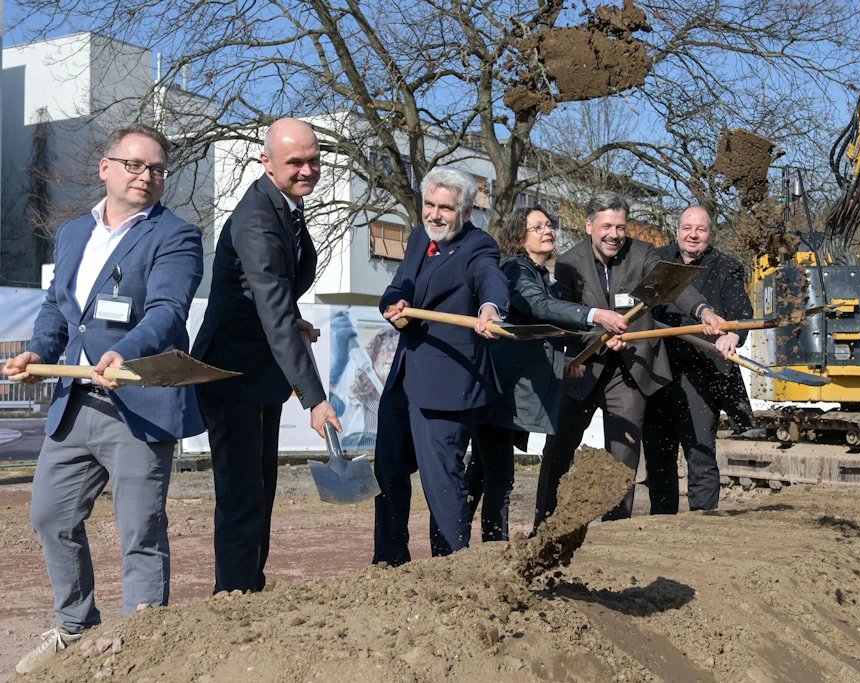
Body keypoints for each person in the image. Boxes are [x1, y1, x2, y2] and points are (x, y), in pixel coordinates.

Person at [3, 125, 204, 674]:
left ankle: (143, 648)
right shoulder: (72, 233)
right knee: (49, 516)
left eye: (158, 169)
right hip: (74, 402)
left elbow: (167, 311)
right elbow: (58, 310)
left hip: (137, 402)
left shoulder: (177, 235)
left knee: (139, 529)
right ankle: (75, 627)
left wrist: (128, 353)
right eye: (136, 166)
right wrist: (36, 354)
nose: (147, 177)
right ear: (106, 168)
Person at [191, 117, 341, 594]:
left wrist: (292, 321)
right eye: (295, 162)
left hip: (260, 372)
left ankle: (249, 590)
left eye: (314, 160)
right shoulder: (257, 218)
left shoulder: (288, 209)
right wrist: (315, 399)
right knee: (242, 497)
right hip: (230, 374)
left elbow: (270, 297)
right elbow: (273, 311)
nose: (307, 170)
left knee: (263, 492)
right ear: (267, 162)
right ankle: (232, 599)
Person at [534, 192, 727, 528]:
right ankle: (542, 525)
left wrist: (703, 310)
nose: (614, 234)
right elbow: (564, 316)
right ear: (589, 224)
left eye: (620, 227)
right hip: (581, 367)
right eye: (606, 226)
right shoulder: (567, 263)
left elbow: (673, 286)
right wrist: (600, 336)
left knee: (622, 461)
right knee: (557, 451)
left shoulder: (642, 255)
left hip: (629, 374)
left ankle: (616, 530)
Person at [465, 206, 628, 541]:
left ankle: (454, 543)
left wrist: (566, 361)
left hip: (512, 388)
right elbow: (537, 307)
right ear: (519, 236)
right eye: (536, 227)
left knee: (481, 473)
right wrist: (596, 314)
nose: (547, 231)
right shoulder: (515, 270)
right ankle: (491, 550)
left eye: (549, 225)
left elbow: (542, 331)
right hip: (501, 388)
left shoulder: (543, 278)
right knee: (498, 477)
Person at [374, 166, 509, 566]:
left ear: (465, 212)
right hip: (403, 378)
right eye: (429, 205)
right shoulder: (419, 238)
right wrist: (393, 303)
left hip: (448, 384)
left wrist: (491, 308)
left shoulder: (479, 246)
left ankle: (451, 566)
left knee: (442, 482)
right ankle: (389, 563)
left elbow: (491, 281)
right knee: (389, 472)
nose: (434, 214)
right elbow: (400, 284)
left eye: (445, 208)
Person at [642, 205, 755, 513]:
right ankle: (661, 522)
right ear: (677, 231)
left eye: (700, 229)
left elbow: (741, 314)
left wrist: (732, 336)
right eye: (686, 228)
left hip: (701, 375)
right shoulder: (657, 261)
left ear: (710, 234)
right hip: (657, 372)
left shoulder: (725, 267)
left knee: (700, 453)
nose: (693, 235)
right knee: (658, 455)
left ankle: (704, 523)